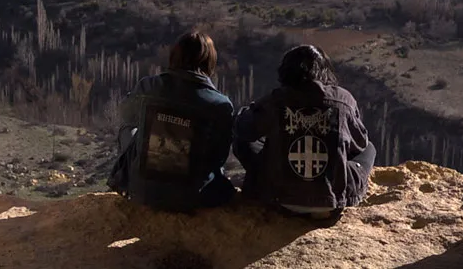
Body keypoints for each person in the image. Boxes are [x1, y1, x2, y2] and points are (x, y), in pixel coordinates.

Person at [233, 44, 376, 219]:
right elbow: (360, 141)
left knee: (243, 141)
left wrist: (253, 110)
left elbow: (244, 129)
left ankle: (265, 186)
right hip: (330, 201)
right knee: (369, 148)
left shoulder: (277, 99)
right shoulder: (343, 100)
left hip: (279, 198)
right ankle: (331, 194)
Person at [108, 31, 236, 212]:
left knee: (128, 129)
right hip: (193, 196)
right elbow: (219, 156)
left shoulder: (149, 86)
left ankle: (125, 180)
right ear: (210, 62)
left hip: (143, 191)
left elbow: (126, 114)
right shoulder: (220, 104)